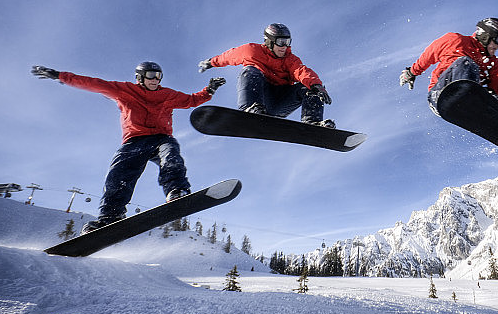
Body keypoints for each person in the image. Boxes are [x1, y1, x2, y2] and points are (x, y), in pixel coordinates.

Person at [31, 62, 226, 233]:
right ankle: (110, 216)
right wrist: (60, 76)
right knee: (119, 175)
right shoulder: (125, 90)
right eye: (151, 75)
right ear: (140, 77)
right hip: (135, 140)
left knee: (171, 157)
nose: (155, 80)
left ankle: (177, 191)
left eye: (158, 76)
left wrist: (209, 90)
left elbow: (191, 100)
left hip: (161, 138)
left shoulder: (168, 94)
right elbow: (93, 83)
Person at [399, 17, 498, 128]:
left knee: (497, 98)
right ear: (485, 36)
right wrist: (412, 73)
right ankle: (465, 96)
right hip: (441, 94)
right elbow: (429, 55)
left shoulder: (492, 63)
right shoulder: (456, 40)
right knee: (467, 62)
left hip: (471, 98)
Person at [197, 23, 335, 128]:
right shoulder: (251, 51)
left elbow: (301, 71)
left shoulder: (290, 60)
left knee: (309, 87)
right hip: (261, 98)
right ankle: (250, 109)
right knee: (250, 71)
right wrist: (210, 62)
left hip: (280, 102)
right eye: (281, 42)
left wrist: (316, 85)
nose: (284, 47)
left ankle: (312, 122)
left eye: (288, 42)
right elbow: (228, 57)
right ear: (270, 41)